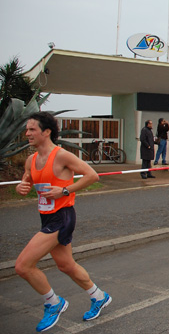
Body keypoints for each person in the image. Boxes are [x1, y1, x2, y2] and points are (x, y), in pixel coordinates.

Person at [14, 112, 111, 332]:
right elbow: (26, 181)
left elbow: (92, 175)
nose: (27, 133)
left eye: (32, 129)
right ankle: (99, 296)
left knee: (22, 266)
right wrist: (21, 187)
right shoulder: (31, 159)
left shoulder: (61, 156)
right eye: (27, 129)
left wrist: (64, 190)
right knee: (66, 265)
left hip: (62, 217)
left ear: (46, 132)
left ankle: (53, 303)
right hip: (46, 216)